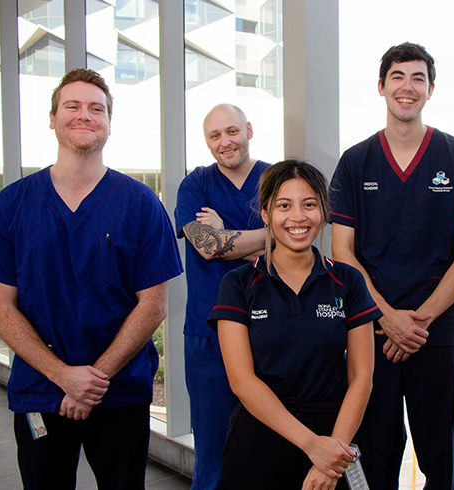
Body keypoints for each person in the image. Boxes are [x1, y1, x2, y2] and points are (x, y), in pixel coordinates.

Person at [0, 68, 183, 489]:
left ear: (107, 123)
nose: (85, 115)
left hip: (119, 391)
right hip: (40, 390)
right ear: (52, 118)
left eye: (96, 109)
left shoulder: (140, 204)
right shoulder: (12, 204)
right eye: (73, 106)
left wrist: (92, 379)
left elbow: (152, 305)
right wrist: (62, 376)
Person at [329, 42, 454, 489]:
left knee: (441, 464)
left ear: (430, 90)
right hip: (373, 338)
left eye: (418, 78)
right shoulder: (355, 162)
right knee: (375, 462)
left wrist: (418, 322)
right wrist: (387, 317)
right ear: (382, 87)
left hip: (437, 337)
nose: (408, 87)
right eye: (398, 77)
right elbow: (341, 253)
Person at [207, 160, 381, 490]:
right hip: (260, 436)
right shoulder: (239, 284)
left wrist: (332, 457)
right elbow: (242, 381)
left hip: (335, 436)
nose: (298, 217)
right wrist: (312, 445)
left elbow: (362, 377)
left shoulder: (347, 281)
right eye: (284, 206)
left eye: (310, 205)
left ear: (324, 212)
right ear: (265, 213)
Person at [175, 104, 270, 490]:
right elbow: (207, 246)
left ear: (248, 129)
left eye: (232, 131)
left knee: (270, 449)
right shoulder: (194, 185)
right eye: (215, 136)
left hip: (270, 327)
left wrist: (225, 236)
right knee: (212, 453)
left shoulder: (276, 179)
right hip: (208, 332)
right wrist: (272, 238)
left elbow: (299, 242)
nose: (225, 142)